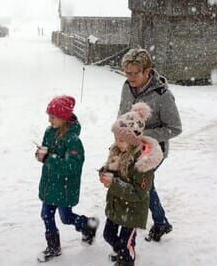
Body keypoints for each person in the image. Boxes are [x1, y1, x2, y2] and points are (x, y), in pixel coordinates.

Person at [118, 48, 182, 242]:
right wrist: (120, 134)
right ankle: (161, 223)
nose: (129, 77)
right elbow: (122, 113)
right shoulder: (127, 86)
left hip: (154, 151)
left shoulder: (162, 95)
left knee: (139, 185)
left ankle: (128, 237)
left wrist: (142, 135)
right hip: (131, 146)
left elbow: (175, 128)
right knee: (145, 185)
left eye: (134, 73)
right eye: (126, 73)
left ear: (147, 71)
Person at [35, 95, 99, 263]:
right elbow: (46, 150)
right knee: (46, 215)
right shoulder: (49, 132)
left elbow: (73, 166)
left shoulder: (73, 141)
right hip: (50, 184)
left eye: (53, 117)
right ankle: (53, 247)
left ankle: (87, 224)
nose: (49, 120)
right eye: (48, 116)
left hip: (64, 187)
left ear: (63, 118)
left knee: (66, 218)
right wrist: (40, 154)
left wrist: (49, 158)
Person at [100, 102, 164, 266]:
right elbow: (114, 171)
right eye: (115, 138)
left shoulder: (143, 164)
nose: (116, 142)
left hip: (133, 211)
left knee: (125, 242)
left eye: (121, 139)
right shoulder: (118, 151)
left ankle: (127, 259)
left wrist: (113, 183)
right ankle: (123, 250)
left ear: (133, 141)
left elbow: (139, 193)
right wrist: (105, 171)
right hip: (117, 206)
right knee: (108, 235)